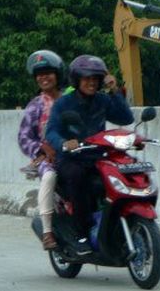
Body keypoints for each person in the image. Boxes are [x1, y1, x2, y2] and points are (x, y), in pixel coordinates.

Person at [45, 55, 134, 255]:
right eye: (86, 78)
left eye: (96, 78)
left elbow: (126, 118)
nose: (92, 82)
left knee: (119, 175)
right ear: (77, 80)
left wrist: (114, 91)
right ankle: (81, 233)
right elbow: (51, 131)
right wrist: (64, 143)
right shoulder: (64, 103)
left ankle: (113, 226)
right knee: (78, 179)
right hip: (72, 159)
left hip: (97, 157)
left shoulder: (103, 100)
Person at [17, 50, 64, 250]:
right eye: (39, 74)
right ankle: (47, 232)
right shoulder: (35, 106)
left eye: (48, 72)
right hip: (49, 159)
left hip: (77, 154)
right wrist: (40, 147)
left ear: (57, 74)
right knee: (49, 177)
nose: (43, 77)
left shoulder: (71, 98)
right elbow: (23, 137)